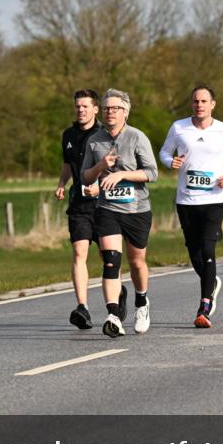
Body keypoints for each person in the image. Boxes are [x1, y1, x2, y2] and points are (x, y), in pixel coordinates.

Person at [159, 85, 223, 328]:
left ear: (212, 104)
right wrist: (170, 161)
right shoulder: (178, 127)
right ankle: (212, 282)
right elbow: (164, 153)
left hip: (213, 200)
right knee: (193, 251)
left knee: (208, 249)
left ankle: (204, 306)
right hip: (186, 200)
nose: (199, 105)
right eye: (196, 101)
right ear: (192, 104)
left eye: (204, 101)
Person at [81, 89, 159, 337]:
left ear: (125, 112)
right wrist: (101, 166)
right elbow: (85, 176)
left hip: (137, 209)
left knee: (136, 262)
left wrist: (122, 174)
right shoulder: (94, 140)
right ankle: (113, 315)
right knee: (111, 260)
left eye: (115, 108)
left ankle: (141, 302)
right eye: (106, 108)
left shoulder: (137, 137)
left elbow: (152, 173)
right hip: (107, 210)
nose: (109, 112)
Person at [55, 89, 103, 330]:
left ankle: (118, 294)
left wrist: (101, 190)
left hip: (105, 205)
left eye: (85, 106)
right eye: (78, 106)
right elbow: (67, 164)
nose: (81, 110)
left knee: (109, 258)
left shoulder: (105, 135)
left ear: (95, 109)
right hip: (79, 205)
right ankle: (82, 307)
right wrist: (62, 184)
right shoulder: (68, 135)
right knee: (79, 253)